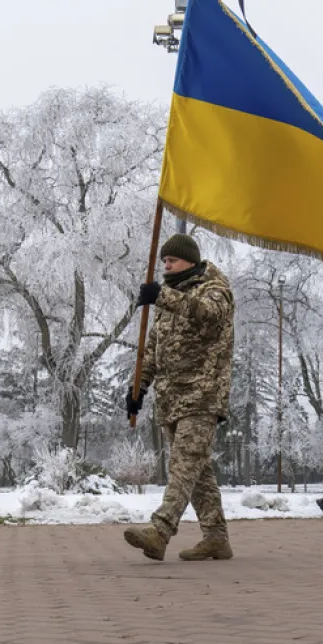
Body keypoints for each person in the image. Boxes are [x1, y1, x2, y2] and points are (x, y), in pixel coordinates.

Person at [123, 233, 236, 562]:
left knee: (183, 465)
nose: (167, 266)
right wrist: (138, 389)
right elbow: (153, 352)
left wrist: (163, 297)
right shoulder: (167, 301)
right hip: (171, 399)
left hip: (203, 395)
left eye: (171, 260)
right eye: (164, 262)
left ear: (190, 260)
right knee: (198, 471)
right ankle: (216, 537)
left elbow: (208, 314)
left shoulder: (215, 289)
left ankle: (159, 531)